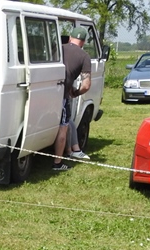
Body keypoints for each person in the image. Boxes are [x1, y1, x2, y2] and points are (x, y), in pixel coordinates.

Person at [52, 29, 92, 171]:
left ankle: (69, 150)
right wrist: (76, 92)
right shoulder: (84, 56)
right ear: (84, 42)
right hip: (62, 95)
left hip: (45, 92)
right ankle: (57, 163)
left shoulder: (58, 48)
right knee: (63, 127)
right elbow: (86, 85)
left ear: (70, 38)